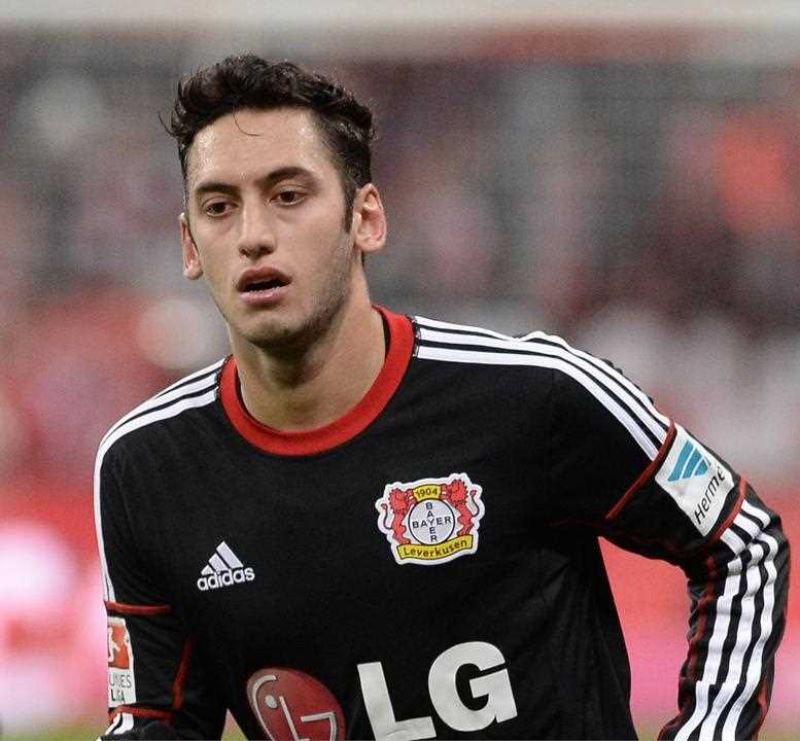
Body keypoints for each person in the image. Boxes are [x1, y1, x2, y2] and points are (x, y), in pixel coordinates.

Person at [94, 54, 789, 740]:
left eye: (289, 196)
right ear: (190, 245)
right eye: (219, 207)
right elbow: (154, 720)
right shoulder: (145, 468)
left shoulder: (538, 393)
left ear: (366, 219)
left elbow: (741, 540)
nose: (253, 236)